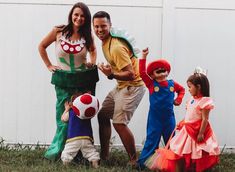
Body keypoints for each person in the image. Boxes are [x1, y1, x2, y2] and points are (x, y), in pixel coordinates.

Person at [38, 2, 99, 161]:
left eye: (83, 16)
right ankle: (58, 152)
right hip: (63, 80)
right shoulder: (58, 31)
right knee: (63, 116)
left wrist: (92, 61)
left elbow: (93, 50)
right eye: (76, 14)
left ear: (86, 19)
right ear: (71, 14)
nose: (79, 18)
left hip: (83, 81)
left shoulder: (87, 35)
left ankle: (81, 155)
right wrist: (49, 65)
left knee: (81, 115)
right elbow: (42, 46)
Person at [92, 11, 145, 165]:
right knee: (103, 115)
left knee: (119, 124)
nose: (100, 30)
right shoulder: (105, 42)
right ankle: (105, 156)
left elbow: (131, 75)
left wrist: (111, 74)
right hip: (122, 86)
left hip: (133, 86)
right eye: (96, 27)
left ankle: (134, 160)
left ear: (110, 26)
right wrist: (111, 70)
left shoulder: (116, 47)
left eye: (103, 26)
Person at [147, 67, 220, 171]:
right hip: (188, 130)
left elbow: (205, 119)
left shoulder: (204, 101)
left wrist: (201, 133)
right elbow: (189, 115)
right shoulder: (191, 100)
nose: (188, 89)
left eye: (190, 87)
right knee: (179, 149)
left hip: (197, 131)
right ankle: (182, 168)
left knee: (196, 151)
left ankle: (195, 167)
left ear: (198, 87)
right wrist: (182, 122)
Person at [137, 48, 185, 169]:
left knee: (171, 140)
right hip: (155, 119)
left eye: (164, 71)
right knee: (152, 139)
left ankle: (172, 162)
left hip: (169, 118)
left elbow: (182, 90)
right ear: (152, 75)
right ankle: (143, 163)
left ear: (167, 72)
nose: (162, 74)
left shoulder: (172, 84)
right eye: (159, 72)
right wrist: (143, 56)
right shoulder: (151, 84)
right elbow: (142, 73)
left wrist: (178, 99)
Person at [60, 93, 100, 168]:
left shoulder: (71, 113)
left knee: (67, 153)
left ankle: (66, 165)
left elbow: (63, 119)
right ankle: (95, 163)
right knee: (90, 152)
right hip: (86, 138)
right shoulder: (87, 114)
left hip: (73, 138)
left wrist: (66, 109)